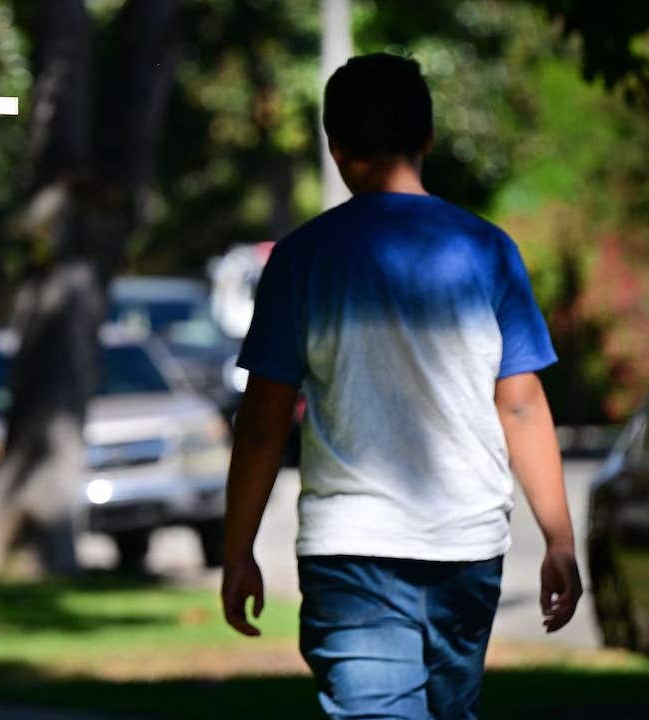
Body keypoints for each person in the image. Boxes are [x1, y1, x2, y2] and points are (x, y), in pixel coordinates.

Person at [221, 53, 582, 720]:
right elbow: (523, 405)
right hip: (467, 551)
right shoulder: (488, 251)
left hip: (351, 550)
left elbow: (265, 419)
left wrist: (238, 547)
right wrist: (559, 539)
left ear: (334, 147)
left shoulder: (303, 259)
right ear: (429, 139)